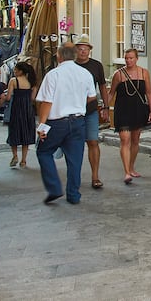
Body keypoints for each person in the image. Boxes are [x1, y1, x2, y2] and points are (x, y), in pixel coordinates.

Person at [35, 44, 97, 204]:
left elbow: (46, 102)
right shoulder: (85, 73)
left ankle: (54, 187)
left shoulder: (53, 74)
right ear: (75, 56)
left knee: (43, 151)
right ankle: (73, 194)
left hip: (57, 121)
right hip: (78, 120)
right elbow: (92, 96)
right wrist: (77, 101)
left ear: (59, 56)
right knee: (75, 159)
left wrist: (41, 125)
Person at [109, 48, 151, 185]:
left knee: (135, 140)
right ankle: (127, 172)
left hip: (138, 109)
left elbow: (149, 92)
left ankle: (131, 166)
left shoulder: (144, 72)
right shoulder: (118, 74)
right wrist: (105, 107)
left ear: (136, 59)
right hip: (122, 110)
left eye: (131, 58)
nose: (128, 61)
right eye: (126, 58)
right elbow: (111, 93)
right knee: (125, 139)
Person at [74, 35, 111, 189]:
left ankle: (95, 176)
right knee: (74, 144)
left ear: (89, 51)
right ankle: (74, 177)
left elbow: (102, 86)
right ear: (76, 50)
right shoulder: (71, 66)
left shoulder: (96, 66)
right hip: (74, 111)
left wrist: (106, 107)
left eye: (86, 49)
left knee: (93, 141)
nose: (83, 52)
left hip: (91, 110)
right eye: (80, 49)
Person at [5, 62, 38, 169]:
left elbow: (9, 97)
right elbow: (33, 98)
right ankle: (24, 160)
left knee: (14, 131)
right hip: (28, 109)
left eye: (15, 70)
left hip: (16, 109)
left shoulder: (14, 81)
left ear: (20, 71)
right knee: (26, 132)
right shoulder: (32, 82)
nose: (14, 72)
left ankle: (15, 155)